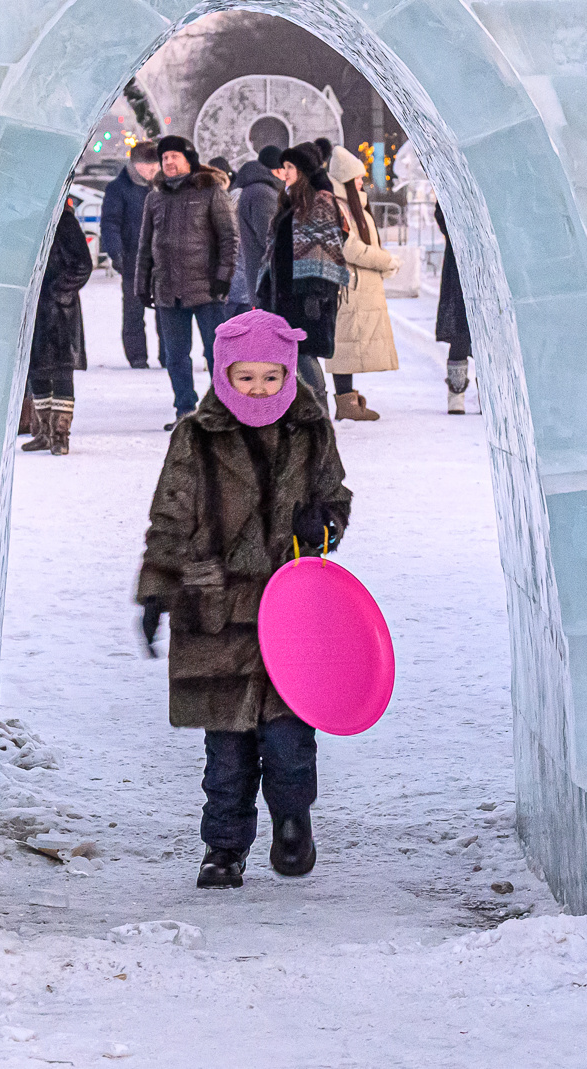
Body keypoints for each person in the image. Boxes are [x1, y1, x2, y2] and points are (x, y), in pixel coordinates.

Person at [136, 310, 352, 889]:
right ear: (223, 375)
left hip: (290, 611)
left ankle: (291, 820)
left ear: (288, 375)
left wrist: (321, 523)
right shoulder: (196, 437)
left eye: (270, 377)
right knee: (226, 752)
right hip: (217, 613)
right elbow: (170, 515)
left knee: (288, 740)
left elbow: (336, 496)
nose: (258, 388)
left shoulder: (310, 430)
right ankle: (224, 847)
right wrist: (158, 588)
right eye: (245, 376)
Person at [136, 134, 236, 426]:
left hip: (206, 288)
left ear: (188, 160)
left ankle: (222, 409)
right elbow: (145, 245)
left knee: (216, 353)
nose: (168, 162)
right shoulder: (155, 198)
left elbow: (230, 238)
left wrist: (223, 278)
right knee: (175, 356)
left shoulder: (210, 192)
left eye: (174, 157)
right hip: (168, 290)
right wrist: (141, 285)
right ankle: (185, 411)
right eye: (164, 158)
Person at [256, 146, 350, 418]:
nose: (283, 173)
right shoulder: (291, 201)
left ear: (303, 172)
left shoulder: (319, 201)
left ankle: (319, 415)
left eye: (289, 168)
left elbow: (327, 248)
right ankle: (304, 416)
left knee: (303, 353)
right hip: (283, 293)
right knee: (291, 355)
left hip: (307, 295)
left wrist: (314, 294)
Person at [324, 144, 400, 422]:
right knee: (343, 345)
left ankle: (348, 400)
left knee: (348, 344)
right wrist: (385, 260)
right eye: (357, 177)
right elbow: (350, 249)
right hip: (349, 287)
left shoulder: (352, 206)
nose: (361, 181)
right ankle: (345, 402)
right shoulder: (339, 208)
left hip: (357, 286)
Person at [24, 196, 94, 455]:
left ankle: (60, 435)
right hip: (33, 308)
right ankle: (44, 432)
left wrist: (58, 293)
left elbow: (83, 265)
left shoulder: (64, 222)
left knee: (62, 371)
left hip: (58, 312)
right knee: (36, 370)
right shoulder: (28, 221)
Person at [99, 141, 160, 369]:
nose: (153, 170)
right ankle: (137, 357)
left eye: (156, 165)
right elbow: (110, 223)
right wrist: (116, 253)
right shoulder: (119, 189)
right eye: (148, 166)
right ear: (135, 165)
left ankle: (168, 355)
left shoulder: (162, 186)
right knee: (134, 311)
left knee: (165, 312)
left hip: (162, 260)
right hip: (133, 258)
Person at [228, 145, 285, 312]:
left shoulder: (252, 190)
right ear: (277, 170)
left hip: (251, 281)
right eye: (285, 168)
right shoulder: (263, 194)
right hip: (261, 283)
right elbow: (269, 238)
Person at [434, 203, 474, 415]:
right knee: (460, 332)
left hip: (491, 262)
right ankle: (456, 393)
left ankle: (489, 391)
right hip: (459, 263)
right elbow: (441, 212)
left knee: (491, 338)